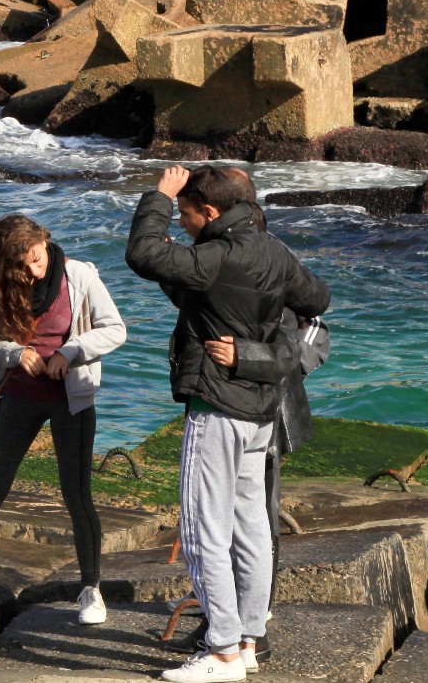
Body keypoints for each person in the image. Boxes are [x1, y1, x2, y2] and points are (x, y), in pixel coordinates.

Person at [125, 165, 331, 683]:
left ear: (210, 212)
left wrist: (158, 196)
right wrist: (255, 335)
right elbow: (316, 300)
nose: (184, 221)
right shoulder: (275, 251)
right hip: (261, 411)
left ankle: (220, 653)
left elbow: (144, 254)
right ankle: (247, 639)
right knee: (252, 528)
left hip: (218, 406)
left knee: (203, 533)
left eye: (187, 213)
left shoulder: (217, 256)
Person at [0, 215, 125, 627]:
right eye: (24, 266)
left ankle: (91, 589)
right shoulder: (3, 285)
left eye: (37, 259)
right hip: (19, 396)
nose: (35, 271)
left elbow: (114, 329)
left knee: (77, 495)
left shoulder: (80, 276)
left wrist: (70, 353)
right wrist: (17, 354)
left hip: (72, 399)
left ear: (46, 241)